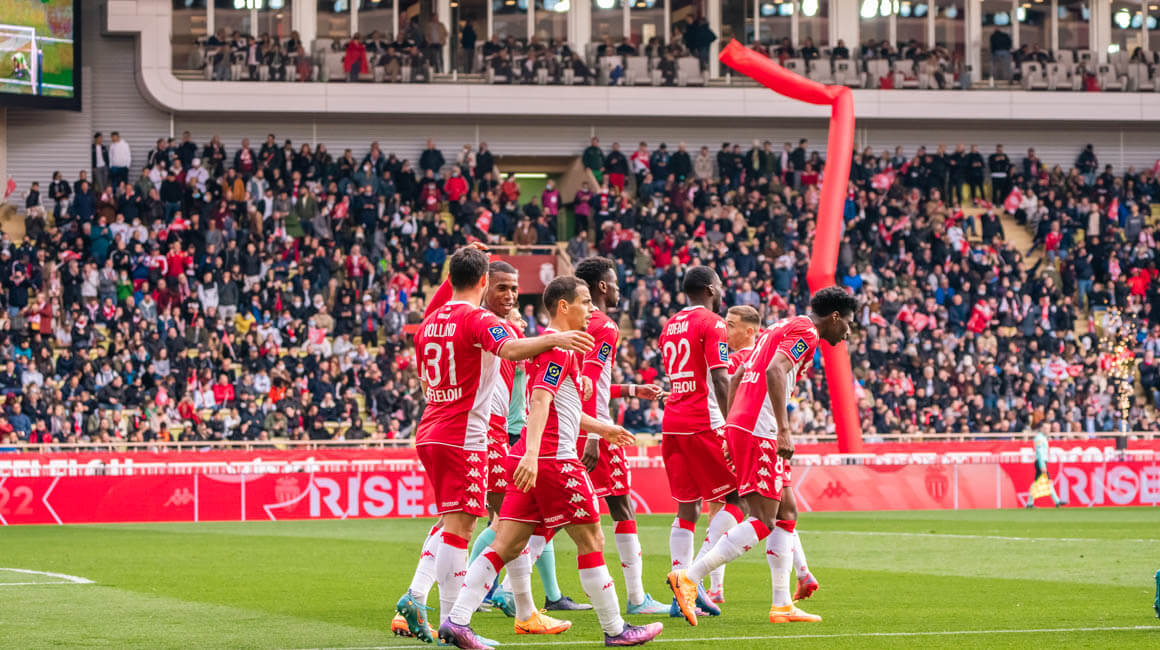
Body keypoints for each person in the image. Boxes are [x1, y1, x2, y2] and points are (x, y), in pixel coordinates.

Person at [437, 275, 663, 650]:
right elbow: (540, 401)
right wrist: (532, 455)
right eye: (585, 302)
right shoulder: (557, 349)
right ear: (563, 306)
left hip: (533, 458)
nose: (590, 309)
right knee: (592, 539)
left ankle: (457, 621)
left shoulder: (554, 347)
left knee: (506, 545)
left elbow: (563, 409)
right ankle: (616, 629)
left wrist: (603, 429)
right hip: (553, 460)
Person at [394, 246, 595, 643]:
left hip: (434, 427)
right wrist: (559, 339)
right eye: (501, 287)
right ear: (484, 283)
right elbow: (512, 349)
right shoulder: (480, 321)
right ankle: (454, 620)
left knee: (488, 519)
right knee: (470, 526)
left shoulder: (431, 322)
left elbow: (424, 375)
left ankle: (505, 608)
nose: (510, 296)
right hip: (472, 434)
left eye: (514, 290)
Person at [667, 286, 856, 627]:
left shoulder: (780, 326)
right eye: (848, 323)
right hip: (761, 429)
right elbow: (775, 371)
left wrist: (731, 424)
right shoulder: (807, 332)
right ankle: (689, 577)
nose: (848, 332)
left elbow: (739, 375)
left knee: (787, 513)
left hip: (746, 424)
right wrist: (783, 429)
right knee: (762, 519)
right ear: (835, 317)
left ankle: (782, 605)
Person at [574, 257, 670, 615]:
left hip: (567, 424)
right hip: (595, 430)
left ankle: (508, 591)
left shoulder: (574, 325)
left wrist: (631, 390)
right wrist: (596, 435)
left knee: (544, 517)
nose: (618, 288)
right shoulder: (605, 325)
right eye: (614, 283)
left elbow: (583, 382)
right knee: (622, 506)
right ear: (602, 286)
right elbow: (591, 384)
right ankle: (636, 598)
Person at [658, 266, 740, 616]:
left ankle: (681, 596)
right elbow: (720, 378)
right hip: (703, 422)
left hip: (673, 423)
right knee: (740, 497)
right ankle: (692, 579)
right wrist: (733, 425)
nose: (722, 291)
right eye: (719, 286)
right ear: (709, 288)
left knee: (687, 508)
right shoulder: (713, 322)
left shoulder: (670, 324)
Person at [1024, 432, 1064, 508]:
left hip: (1041, 462)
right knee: (1047, 482)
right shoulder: (1039, 438)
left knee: (1038, 483)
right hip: (1041, 463)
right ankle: (1057, 501)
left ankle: (1030, 503)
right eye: (1046, 428)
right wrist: (1042, 465)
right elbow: (1039, 453)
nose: (1047, 430)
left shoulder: (1042, 437)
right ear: (1041, 428)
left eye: (1048, 428)